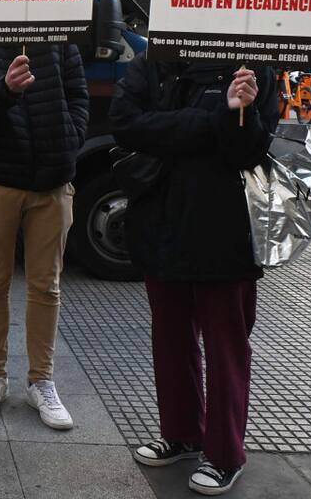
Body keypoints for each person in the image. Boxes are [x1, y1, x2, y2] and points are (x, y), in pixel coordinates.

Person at [110, 55, 278, 496]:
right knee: (171, 336)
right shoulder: (152, 60)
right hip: (160, 225)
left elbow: (250, 149)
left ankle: (225, 455)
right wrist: (211, 121)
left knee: (226, 347)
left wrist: (231, 113)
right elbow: (126, 124)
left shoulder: (253, 67)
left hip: (225, 232)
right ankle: (182, 434)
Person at [0, 44, 87, 430]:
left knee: (46, 286)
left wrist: (71, 139)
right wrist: (6, 89)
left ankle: (41, 381)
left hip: (52, 181)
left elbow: (78, 94)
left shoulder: (60, 37)